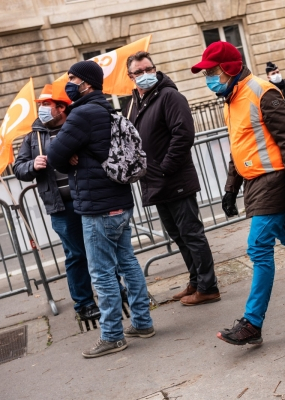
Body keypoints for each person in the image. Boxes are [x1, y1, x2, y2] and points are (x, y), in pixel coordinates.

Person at [191, 41, 285, 346]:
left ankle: (252, 323)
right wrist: (231, 188)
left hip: (274, 180)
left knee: (258, 247)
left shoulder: (262, 91)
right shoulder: (230, 100)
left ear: (228, 69)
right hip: (254, 182)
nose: (208, 79)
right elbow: (238, 147)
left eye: (212, 71)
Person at [47, 61, 154, 358]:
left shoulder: (81, 114)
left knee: (102, 274)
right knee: (128, 263)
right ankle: (143, 322)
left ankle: (112, 335)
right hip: (119, 201)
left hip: (97, 206)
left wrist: (69, 155)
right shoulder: (105, 109)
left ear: (87, 83)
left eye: (73, 78)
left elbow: (55, 155)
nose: (69, 83)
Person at [125, 51, 220, 306]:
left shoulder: (169, 96)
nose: (145, 75)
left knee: (192, 234)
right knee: (178, 235)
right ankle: (196, 280)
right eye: (139, 72)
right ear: (130, 77)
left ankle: (208, 286)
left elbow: (183, 135)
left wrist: (166, 167)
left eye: (149, 69)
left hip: (174, 179)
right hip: (155, 181)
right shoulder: (135, 101)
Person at [14, 83, 102, 321]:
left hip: (89, 198)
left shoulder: (78, 125)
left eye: (46, 104)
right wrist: (32, 165)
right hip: (61, 207)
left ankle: (115, 293)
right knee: (75, 254)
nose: (41, 109)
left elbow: (98, 151)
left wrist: (79, 156)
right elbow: (18, 167)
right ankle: (84, 304)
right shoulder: (33, 136)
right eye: (40, 105)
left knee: (102, 249)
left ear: (61, 107)